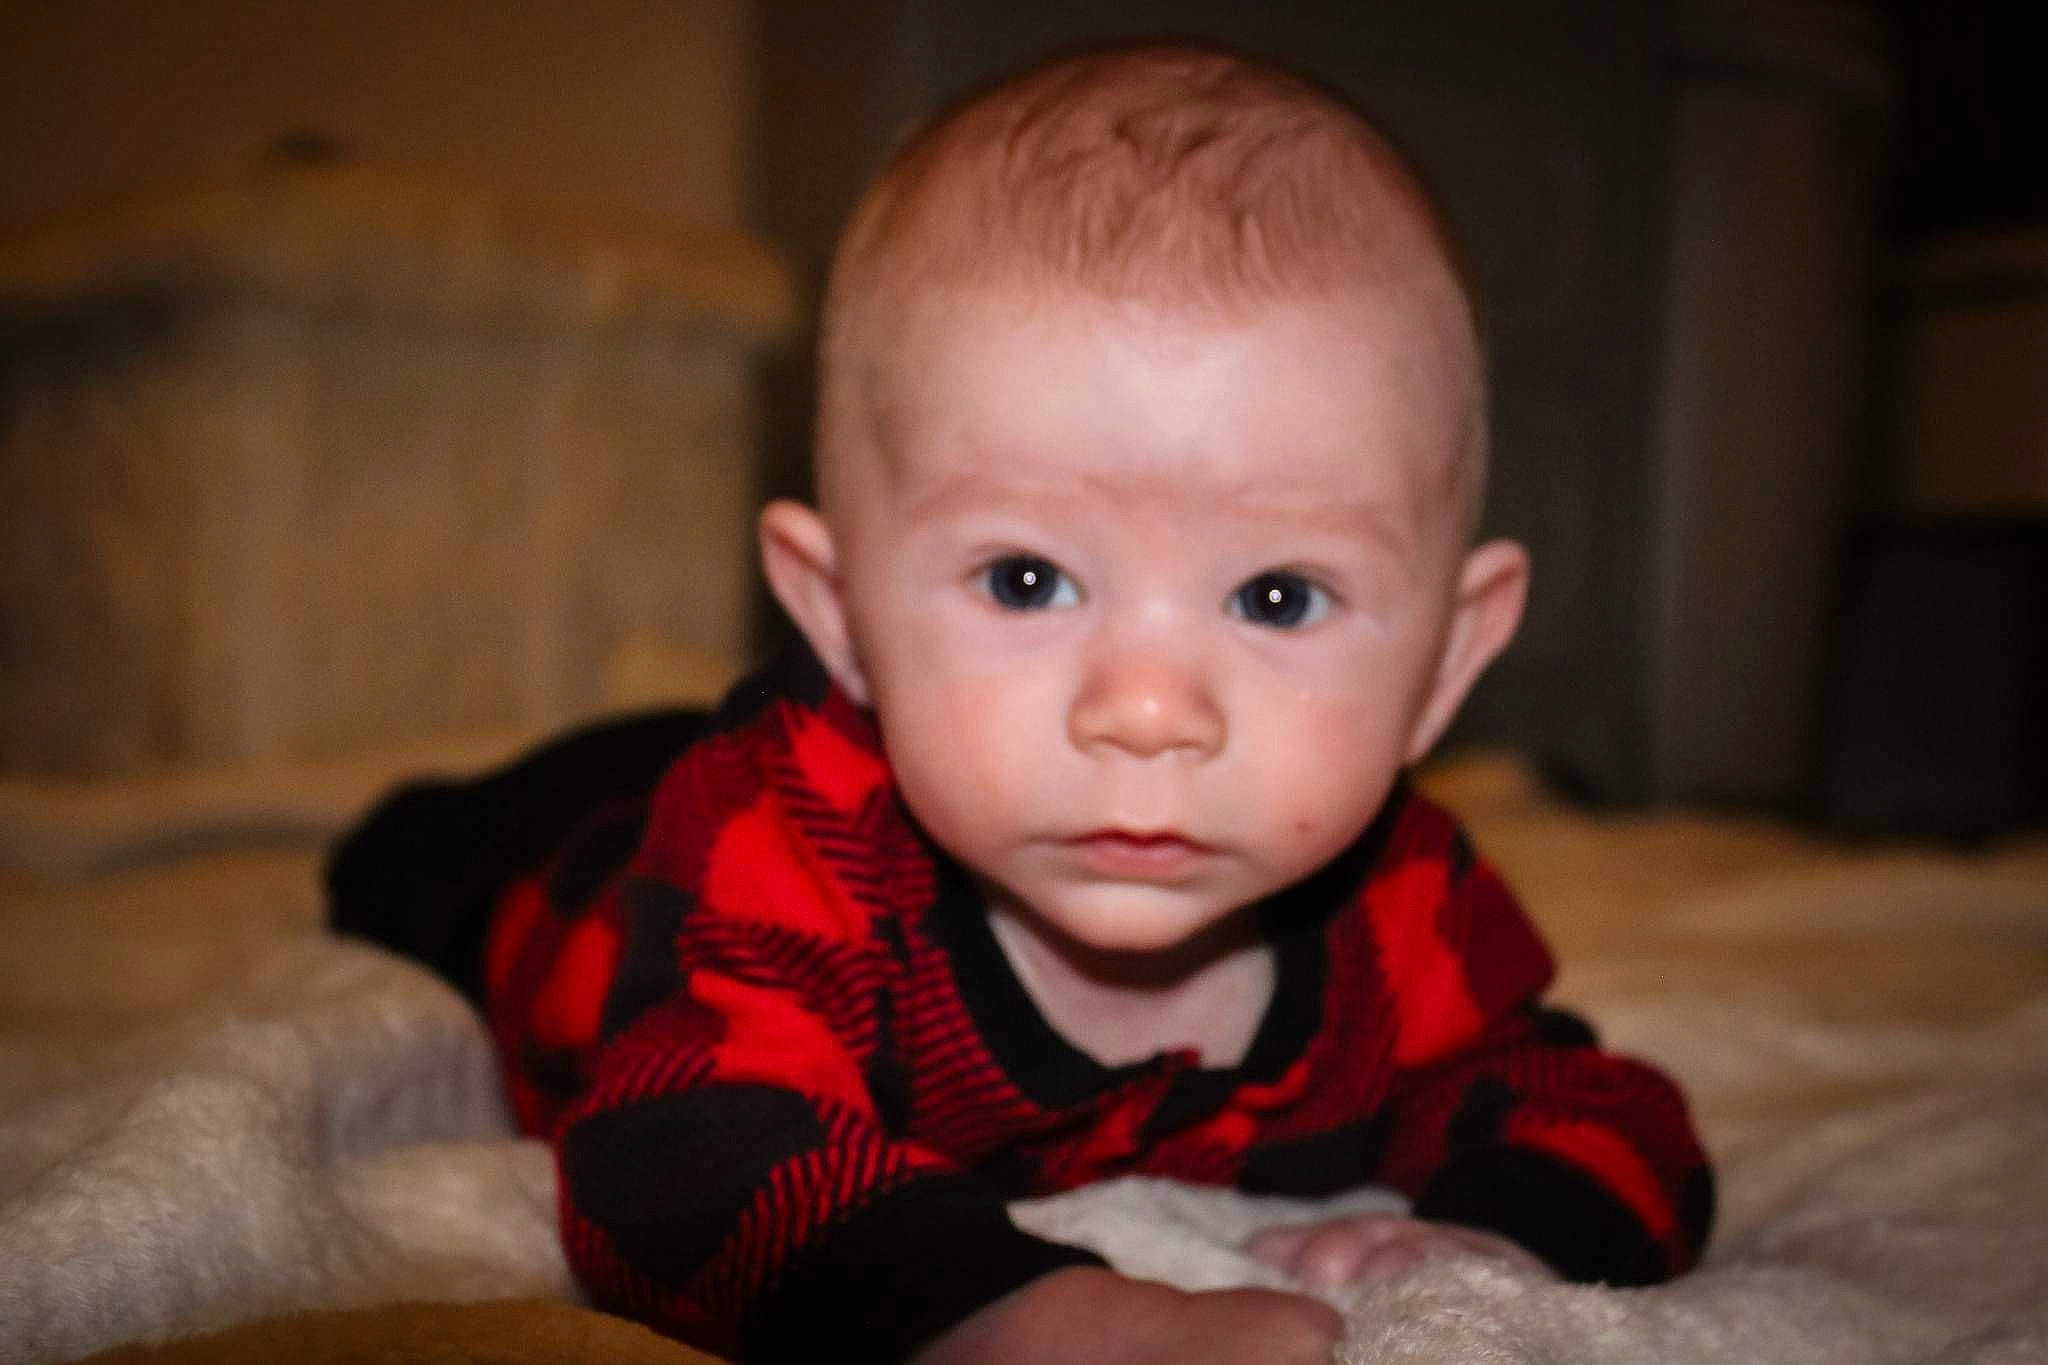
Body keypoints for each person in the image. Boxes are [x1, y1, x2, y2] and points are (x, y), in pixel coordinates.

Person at [331, 41, 1711, 1364]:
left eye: (1279, 596)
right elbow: (678, 1155)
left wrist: (1503, 1233)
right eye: (1029, 577)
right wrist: (1011, 1318)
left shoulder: (1401, 912)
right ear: (840, 614)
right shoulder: (796, 832)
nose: (1149, 709)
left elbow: (1609, 1115)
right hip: (567, 857)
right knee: (412, 858)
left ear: (1448, 663)